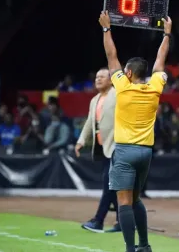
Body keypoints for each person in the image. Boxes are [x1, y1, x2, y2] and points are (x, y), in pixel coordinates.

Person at [98, 10, 172, 252]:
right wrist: (167, 35)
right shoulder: (155, 88)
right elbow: (160, 61)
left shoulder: (122, 87)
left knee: (124, 203)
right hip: (145, 153)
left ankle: (130, 249)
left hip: (125, 151)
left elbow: (111, 55)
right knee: (137, 199)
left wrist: (107, 28)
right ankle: (145, 245)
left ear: (128, 73)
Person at [76, 67, 120, 233]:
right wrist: (81, 141)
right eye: (96, 77)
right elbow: (89, 122)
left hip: (117, 146)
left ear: (111, 80)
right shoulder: (94, 100)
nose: (98, 79)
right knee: (113, 186)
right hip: (104, 149)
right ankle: (123, 222)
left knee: (108, 184)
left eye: (102, 77)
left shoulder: (117, 95)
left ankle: (98, 220)